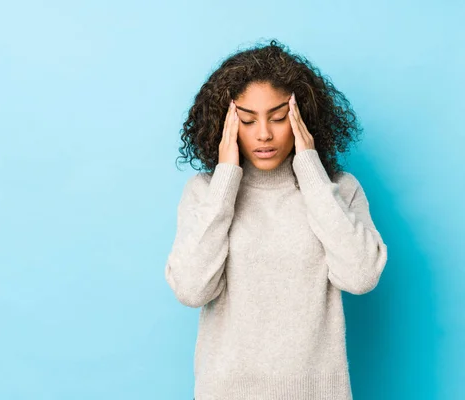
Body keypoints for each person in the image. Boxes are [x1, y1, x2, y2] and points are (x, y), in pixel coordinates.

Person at [165, 39, 388, 400]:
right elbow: (192, 290)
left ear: (302, 119)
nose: (264, 133)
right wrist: (225, 177)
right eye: (248, 121)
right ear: (225, 124)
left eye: (279, 117)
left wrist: (311, 172)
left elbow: (361, 277)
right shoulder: (205, 193)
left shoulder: (338, 190)